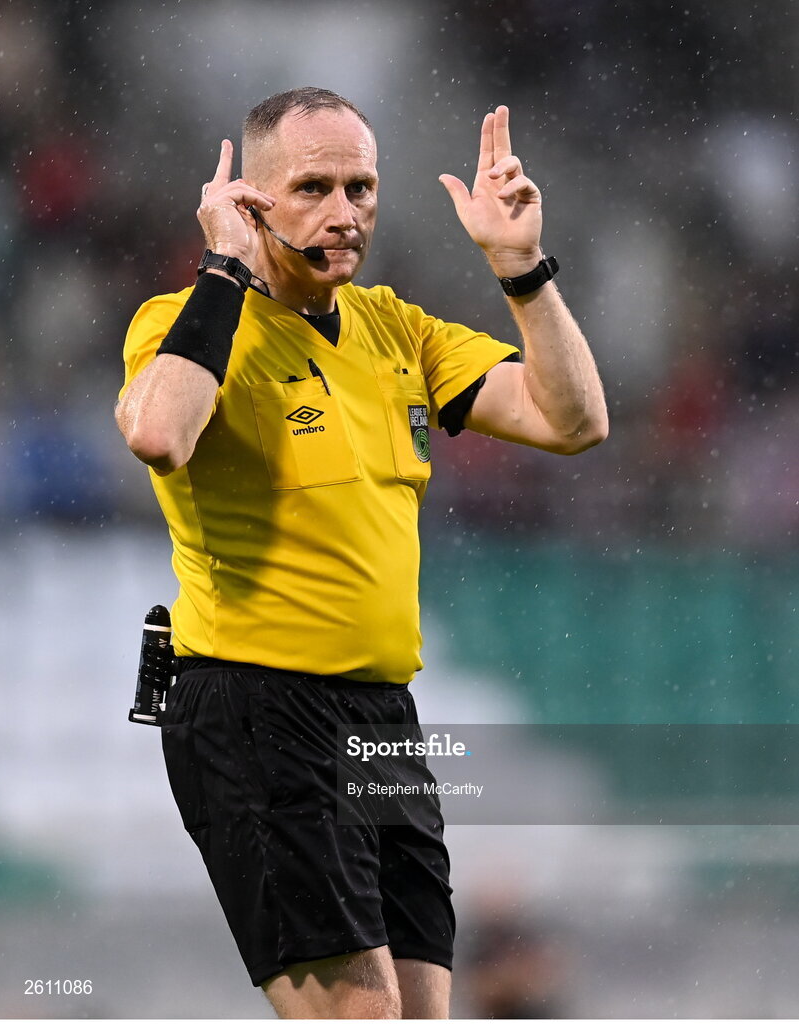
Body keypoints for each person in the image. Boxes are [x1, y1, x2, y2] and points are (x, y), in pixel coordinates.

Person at [115, 86, 607, 1019]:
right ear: (249, 201)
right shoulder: (181, 322)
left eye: (362, 187)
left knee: (418, 1013)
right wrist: (224, 267)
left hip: (381, 717)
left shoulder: (396, 330)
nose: (344, 212)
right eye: (313, 187)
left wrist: (522, 269)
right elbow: (158, 435)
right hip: (257, 707)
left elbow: (573, 419)